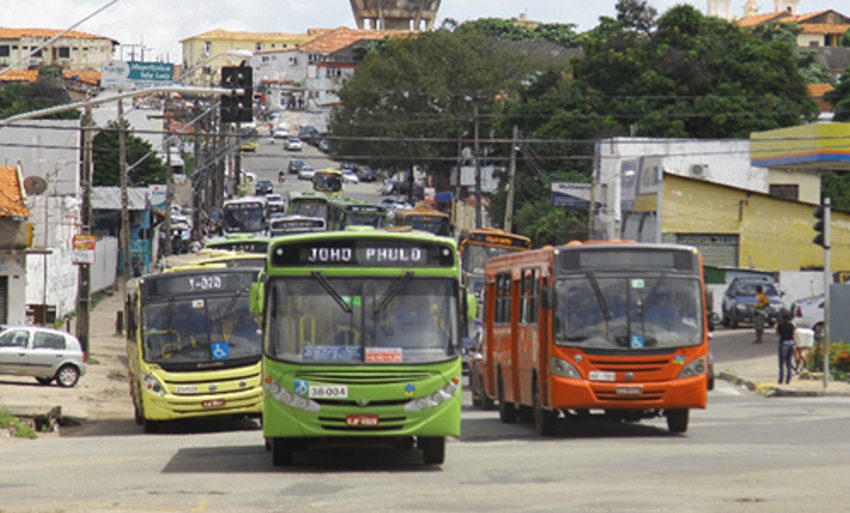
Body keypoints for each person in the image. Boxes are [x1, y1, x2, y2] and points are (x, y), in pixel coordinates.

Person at [776, 310, 796, 385]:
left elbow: (777, 333)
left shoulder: (780, 325)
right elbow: (794, 332)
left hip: (783, 343)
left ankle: (781, 379)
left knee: (781, 363)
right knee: (788, 362)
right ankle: (788, 378)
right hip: (791, 343)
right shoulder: (791, 325)